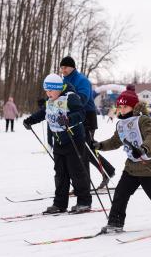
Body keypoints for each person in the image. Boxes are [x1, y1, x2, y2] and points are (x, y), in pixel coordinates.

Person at [93, 90, 151, 233]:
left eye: (125, 107)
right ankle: (115, 222)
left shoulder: (143, 120)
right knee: (120, 194)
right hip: (132, 167)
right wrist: (100, 145)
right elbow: (115, 141)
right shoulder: (121, 124)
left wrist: (143, 149)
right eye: (119, 107)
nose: (121, 110)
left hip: (149, 165)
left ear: (133, 107)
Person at [23, 74, 91, 214]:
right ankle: (60, 203)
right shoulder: (51, 100)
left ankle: (84, 202)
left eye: (51, 91)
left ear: (58, 88)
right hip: (59, 142)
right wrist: (30, 120)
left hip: (73, 140)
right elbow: (44, 113)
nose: (48, 94)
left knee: (76, 172)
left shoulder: (70, 97)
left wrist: (69, 119)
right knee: (60, 174)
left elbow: (81, 113)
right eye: (46, 91)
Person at [59, 56, 116, 189]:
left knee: (84, 149)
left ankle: (85, 183)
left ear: (72, 67)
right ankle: (106, 171)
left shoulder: (82, 80)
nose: (63, 70)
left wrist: (69, 104)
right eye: (61, 67)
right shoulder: (63, 80)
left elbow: (83, 99)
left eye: (65, 67)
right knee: (83, 149)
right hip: (72, 116)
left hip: (86, 116)